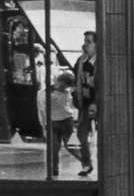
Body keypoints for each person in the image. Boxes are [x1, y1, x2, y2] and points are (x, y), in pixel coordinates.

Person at [37, 71, 78, 176]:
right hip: (54, 122)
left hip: (65, 121)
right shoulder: (44, 93)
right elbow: (41, 110)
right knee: (54, 148)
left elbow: (71, 106)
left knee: (70, 146)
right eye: (62, 85)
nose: (63, 88)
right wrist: (43, 124)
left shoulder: (67, 93)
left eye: (66, 86)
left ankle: (86, 163)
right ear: (58, 81)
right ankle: (54, 169)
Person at [71, 30, 97, 176]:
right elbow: (77, 80)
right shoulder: (81, 61)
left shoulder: (101, 62)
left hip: (99, 102)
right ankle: (86, 163)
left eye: (89, 42)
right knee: (81, 134)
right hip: (85, 103)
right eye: (85, 41)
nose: (85, 44)